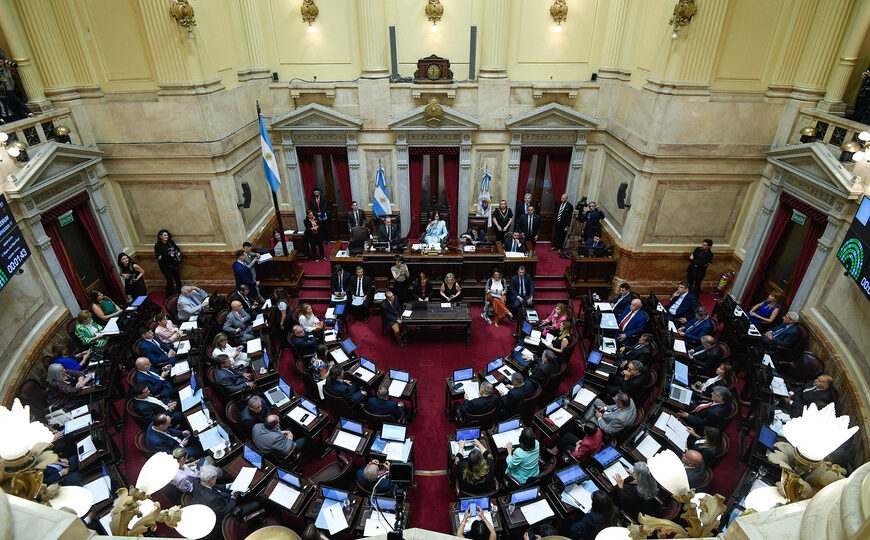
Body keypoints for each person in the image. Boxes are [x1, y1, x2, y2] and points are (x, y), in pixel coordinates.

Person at [192, 465, 261, 525]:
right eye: (215, 478)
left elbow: (214, 486)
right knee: (257, 503)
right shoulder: (213, 499)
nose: (216, 479)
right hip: (228, 509)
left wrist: (229, 485)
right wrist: (233, 497)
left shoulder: (197, 482)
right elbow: (226, 511)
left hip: (220, 499)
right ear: (211, 479)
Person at [154, 229, 182, 296]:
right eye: (164, 235)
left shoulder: (170, 242)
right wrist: (168, 255)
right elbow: (158, 257)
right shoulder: (158, 245)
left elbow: (177, 249)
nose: (166, 236)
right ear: (160, 236)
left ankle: (180, 294)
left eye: (167, 235)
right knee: (170, 281)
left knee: (178, 280)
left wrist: (178, 254)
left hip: (173, 264)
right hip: (165, 266)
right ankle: (169, 296)